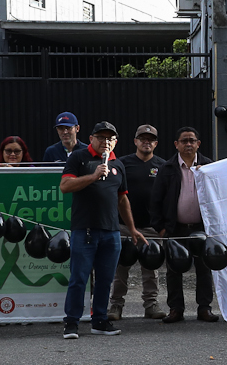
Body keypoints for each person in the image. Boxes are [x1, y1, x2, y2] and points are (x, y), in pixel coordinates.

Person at [58, 122, 146, 339]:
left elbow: (122, 198)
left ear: (115, 141)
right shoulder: (78, 158)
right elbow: (65, 186)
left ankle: (99, 320)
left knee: (106, 278)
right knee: (79, 277)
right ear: (91, 138)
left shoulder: (118, 164)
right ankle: (71, 322)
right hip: (85, 230)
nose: (105, 142)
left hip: (111, 231)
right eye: (101, 137)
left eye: (110, 138)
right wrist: (93, 176)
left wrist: (132, 229)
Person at [150, 126, 218, 324]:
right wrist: (161, 229)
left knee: (204, 269)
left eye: (192, 140)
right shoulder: (167, 168)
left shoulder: (209, 166)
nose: (188, 144)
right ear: (176, 145)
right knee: (173, 270)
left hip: (201, 228)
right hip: (175, 229)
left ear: (198, 144)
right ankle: (176, 309)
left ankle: (204, 308)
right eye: (184, 141)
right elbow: (155, 200)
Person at [111, 125, 165, 321]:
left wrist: (163, 226)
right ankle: (116, 306)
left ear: (156, 143)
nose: (146, 142)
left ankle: (151, 305)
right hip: (124, 227)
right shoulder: (122, 164)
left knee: (151, 270)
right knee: (120, 269)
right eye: (142, 138)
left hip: (151, 228)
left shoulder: (163, 166)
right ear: (135, 141)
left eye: (150, 139)